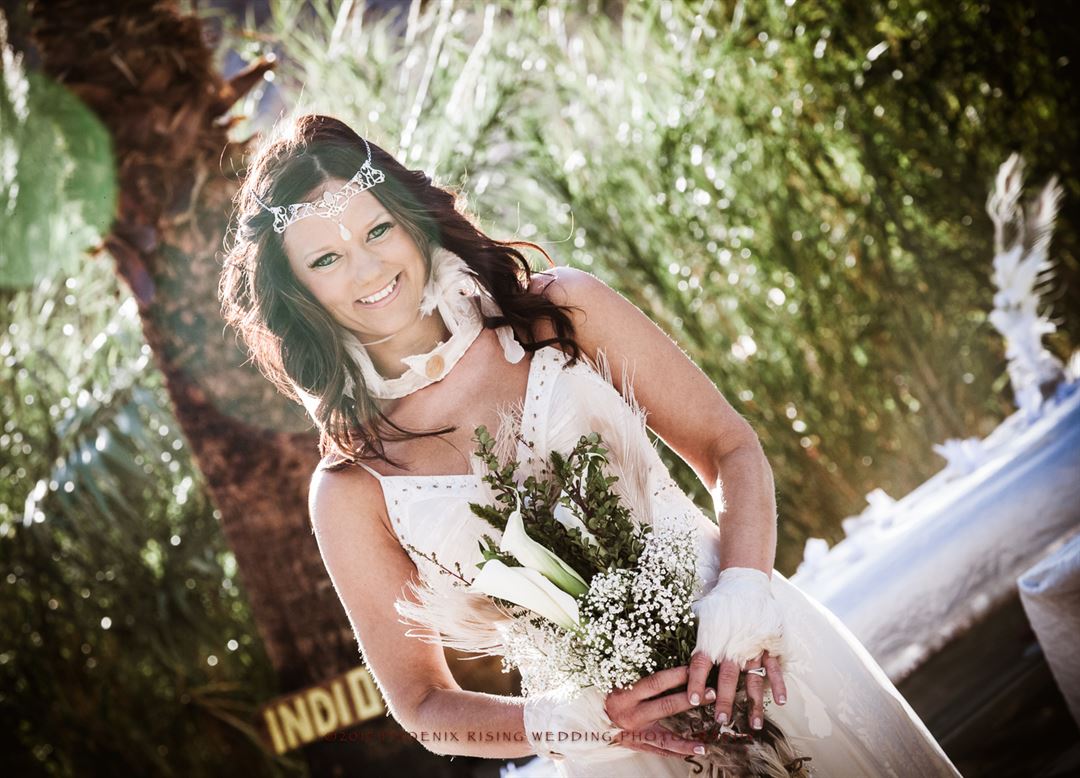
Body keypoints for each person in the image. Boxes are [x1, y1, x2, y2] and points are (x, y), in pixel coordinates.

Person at [219, 114, 964, 777]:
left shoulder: (560, 311)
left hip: (757, 656)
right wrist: (569, 722)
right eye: (326, 259)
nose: (368, 268)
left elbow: (730, 447)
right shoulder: (353, 487)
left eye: (377, 231)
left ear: (410, 219)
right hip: (619, 754)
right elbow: (420, 704)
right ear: (298, 291)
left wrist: (742, 591)